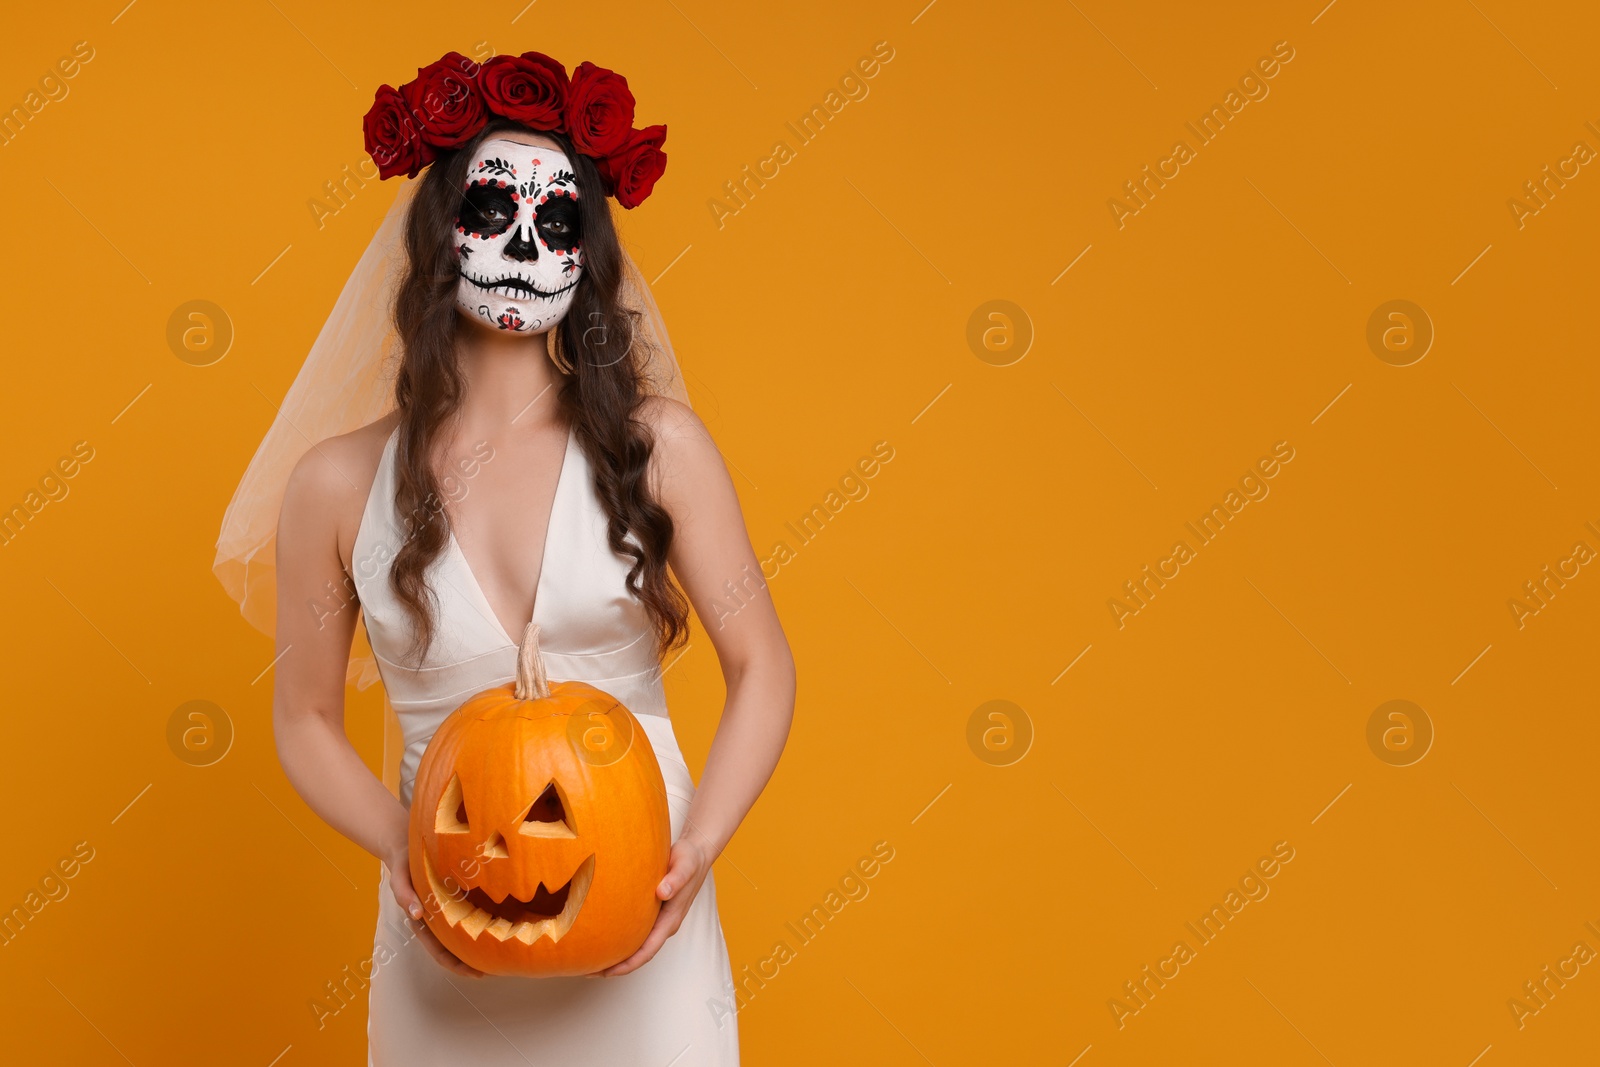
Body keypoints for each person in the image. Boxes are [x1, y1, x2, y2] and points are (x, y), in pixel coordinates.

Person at [217, 50, 793, 1065]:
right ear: (437, 234)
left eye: (559, 222)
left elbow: (763, 666)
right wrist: (404, 844)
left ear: (590, 256)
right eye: (493, 213)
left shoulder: (660, 450)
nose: (525, 247)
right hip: (451, 911)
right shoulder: (334, 485)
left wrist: (697, 843)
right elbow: (304, 716)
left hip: (640, 908)